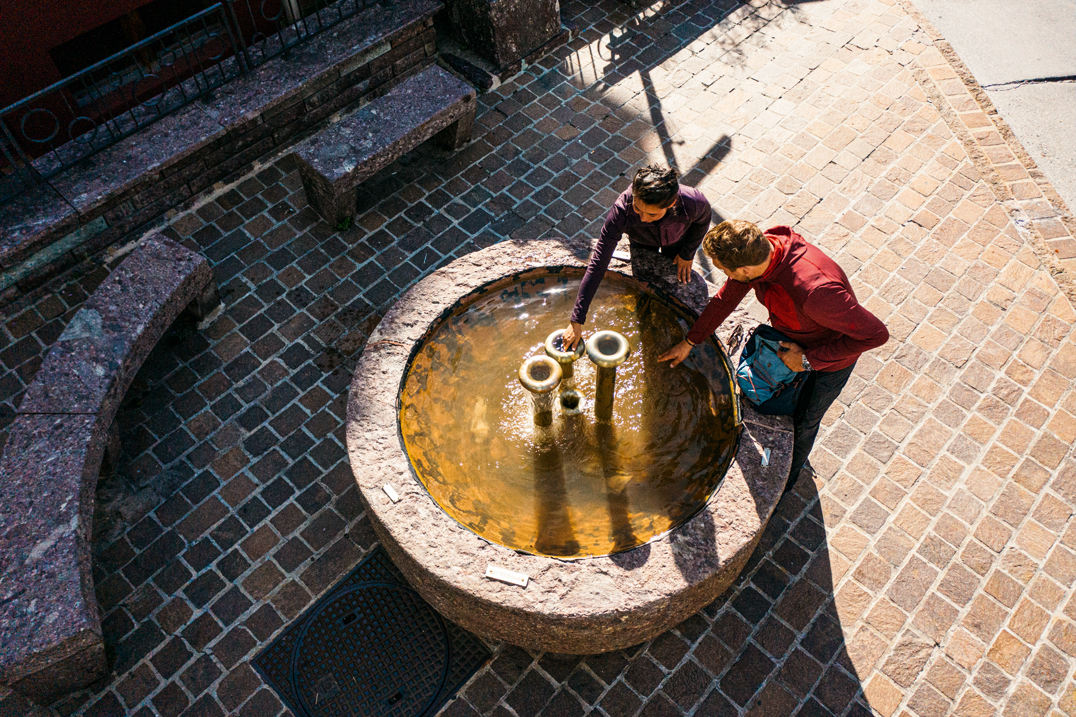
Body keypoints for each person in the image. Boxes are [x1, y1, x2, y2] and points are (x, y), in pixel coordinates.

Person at [658, 220, 889, 490]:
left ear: (744, 270)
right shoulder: (762, 249)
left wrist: (806, 361)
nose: (725, 275)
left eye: (725, 271)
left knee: (804, 422)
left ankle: (783, 484)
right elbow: (726, 299)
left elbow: (876, 334)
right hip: (794, 337)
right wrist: (690, 341)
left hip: (829, 362)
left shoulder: (817, 292)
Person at [562, 165, 712, 349]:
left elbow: (703, 220)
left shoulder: (692, 202)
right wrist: (577, 319)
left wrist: (688, 253)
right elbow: (599, 262)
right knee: (642, 283)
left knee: (676, 285)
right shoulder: (622, 210)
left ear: (671, 204)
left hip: (677, 244)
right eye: (638, 209)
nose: (643, 218)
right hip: (641, 243)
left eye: (651, 214)